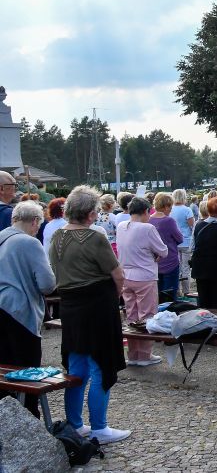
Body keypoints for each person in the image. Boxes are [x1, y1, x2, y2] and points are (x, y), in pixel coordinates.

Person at [48, 186, 130, 444]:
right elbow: (118, 275)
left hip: (71, 306)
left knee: (77, 367)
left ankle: (75, 424)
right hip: (97, 306)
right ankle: (99, 427)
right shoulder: (94, 238)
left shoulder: (56, 237)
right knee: (101, 366)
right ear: (90, 213)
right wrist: (114, 299)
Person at [0, 201, 56, 416]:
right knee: (27, 368)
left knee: (4, 365)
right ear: (35, 222)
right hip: (20, 311)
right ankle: (29, 416)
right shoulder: (30, 243)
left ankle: (6, 417)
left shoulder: (1, 236)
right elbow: (47, 284)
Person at [115, 196, 167, 367]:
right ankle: (144, 355)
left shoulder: (121, 226)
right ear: (146, 211)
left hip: (126, 275)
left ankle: (133, 354)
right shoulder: (147, 228)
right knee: (146, 315)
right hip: (144, 276)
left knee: (131, 315)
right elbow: (163, 250)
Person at [190, 197, 217, 309]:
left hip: (200, 269)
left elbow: (192, 247)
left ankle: (205, 324)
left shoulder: (198, 225)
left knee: (204, 302)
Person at [149, 193, 183, 303]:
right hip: (170, 261)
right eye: (170, 207)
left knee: (157, 296)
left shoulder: (148, 220)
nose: (171, 210)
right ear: (166, 206)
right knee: (170, 296)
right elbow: (179, 238)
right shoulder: (169, 221)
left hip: (154, 262)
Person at [170, 189, 195, 295]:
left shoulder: (170, 210)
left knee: (176, 267)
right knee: (185, 267)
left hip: (174, 242)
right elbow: (192, 226)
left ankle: (177, 290)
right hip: (186, 241)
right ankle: (186, 291)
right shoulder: (187, 210)